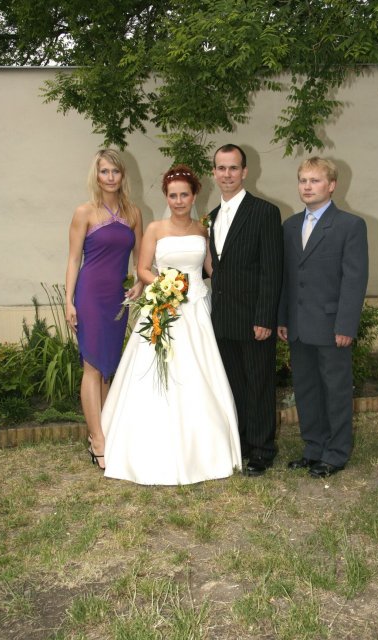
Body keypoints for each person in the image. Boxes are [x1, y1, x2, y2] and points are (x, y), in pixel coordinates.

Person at [102, 164, 242, 485]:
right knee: (154, 373)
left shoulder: (203, 230)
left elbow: (211, 268)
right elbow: (143, 269)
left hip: (197, 310)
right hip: (164, 305)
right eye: (173, 195)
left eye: (184, 195)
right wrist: (166, 286)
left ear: (194, 196)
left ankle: (206, 450)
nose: (179, 201)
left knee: (199, 373)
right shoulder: (155, 229)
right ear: (166, 197)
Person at [277, 157, 368, 478]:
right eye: (303, 180)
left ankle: (336, 453)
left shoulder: (350, 225)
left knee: (336, 391)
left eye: (315, 180)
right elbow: (286, 277)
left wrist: (346, 325)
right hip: (299, 326)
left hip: (332, 326)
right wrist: (282, 318)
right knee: (306, 390)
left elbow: (354, 279)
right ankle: (313, 448)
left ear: (331, 185)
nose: (307, 186)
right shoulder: (290, 226)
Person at [65, 149, 143, 470]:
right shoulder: (84, 212)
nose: (110, 177)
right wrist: (68, 300)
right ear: (96, 176)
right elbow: (73, 259)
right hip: (90, 296)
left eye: (115, 171)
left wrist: (139, 283)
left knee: (109, 366)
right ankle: (97, 439)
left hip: (117, 299)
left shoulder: (134, 213)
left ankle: (107, 429)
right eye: (104, 171)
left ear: (122, 175)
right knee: (92, 366)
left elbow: (140, 258)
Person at [209, 144, 283, 477]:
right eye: (221, 168)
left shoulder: (265, 212)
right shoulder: (211, 217)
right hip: (222, 319)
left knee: (259, 385)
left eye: (233, 168)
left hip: (254, 318)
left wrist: (265, 317)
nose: (227, 174)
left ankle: (263, 450)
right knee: (234, 386)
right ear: (214, 172)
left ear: (245, 172)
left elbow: (272, 270)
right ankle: (241, 443)